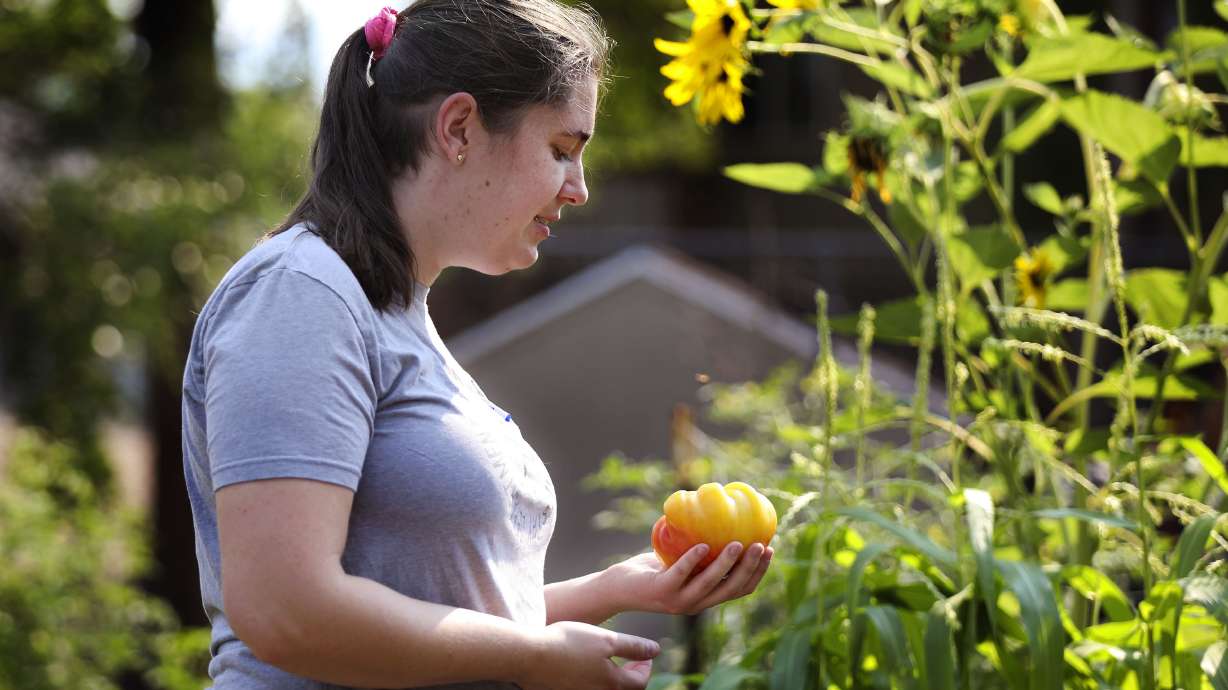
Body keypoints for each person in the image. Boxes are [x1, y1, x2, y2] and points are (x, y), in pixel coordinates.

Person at [180, 1, 774, 688]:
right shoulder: (300, 293)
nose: (579, 189)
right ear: (459, 127)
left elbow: (437, 616)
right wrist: (533, 659)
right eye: (561, 150)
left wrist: (615, 588)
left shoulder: (396, 311)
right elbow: (286, 610)